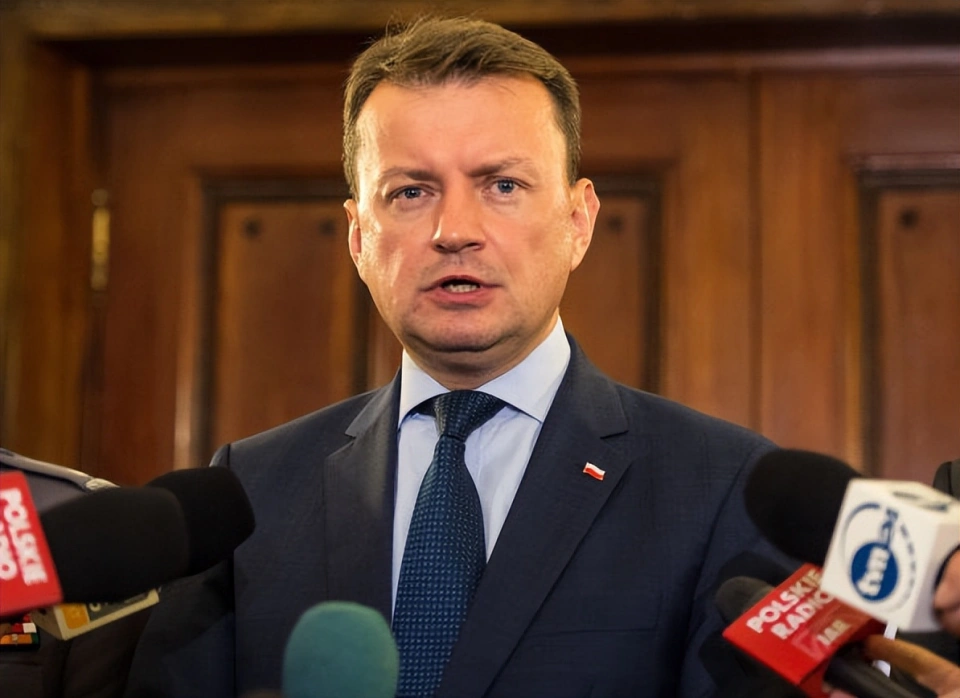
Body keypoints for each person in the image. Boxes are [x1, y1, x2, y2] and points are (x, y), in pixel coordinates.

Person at [126, 16, 793, 697]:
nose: (455, 232)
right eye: (411, 192)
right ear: (357, 237)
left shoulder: (720, 487)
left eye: (502, 185)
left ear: (578, 221)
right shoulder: (249, 493)